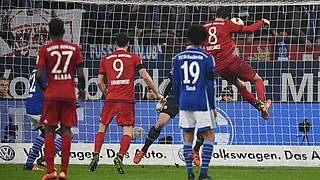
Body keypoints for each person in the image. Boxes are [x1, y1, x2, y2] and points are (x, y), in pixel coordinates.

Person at [88, 33, 163, 174]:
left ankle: (96, 154)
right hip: (126, 100)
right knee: (127, 130)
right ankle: (120, 156)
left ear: (116, 43)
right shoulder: (133, 57)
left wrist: (107, 94)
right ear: (128, 44)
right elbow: (145, 76)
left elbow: (99, 81)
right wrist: (157, 93)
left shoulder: (106, 59)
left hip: (111, 99)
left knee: (102, 127)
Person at [36, 18, 86, 180]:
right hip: (69, 95)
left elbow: (38, 76)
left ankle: (50, 170)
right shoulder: (74, 48)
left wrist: (45, 90)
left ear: (49, 33)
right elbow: (80, 74)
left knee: (49, 130)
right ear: (64, 31)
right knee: (66, 131)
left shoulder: (45, 49)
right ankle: (64, 171)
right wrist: (83, 90)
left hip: (52, 94)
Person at [203, 7, 272, 120]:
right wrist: (262, 21)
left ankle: (259, 108)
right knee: (257, 79)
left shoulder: (205, 26)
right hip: (231, 61)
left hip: (218, 67)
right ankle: (261, 101)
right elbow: (249, 29)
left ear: (216, 15)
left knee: (240, 86)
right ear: (227, 17)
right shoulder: (226, 23)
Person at [172, 24, 217, 180]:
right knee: (209, 135)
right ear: (204, 39)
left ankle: (190, 173)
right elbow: (210, 85)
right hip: (200, 101)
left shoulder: (178, 58)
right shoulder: (207, 58)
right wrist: (212, 106)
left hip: (184, 101)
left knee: (187, 135)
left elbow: (175, 84)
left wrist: (179, 103)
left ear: (188, 38)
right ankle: (203, 173)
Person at [133, 72, 205, 167]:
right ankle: (143, 151)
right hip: (175, 98)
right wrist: (162, 97)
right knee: (160, 124)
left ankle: (195, 150)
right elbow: (168, 82)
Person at [23, 69, 62, 172]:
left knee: (45, 133)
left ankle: (29, 164)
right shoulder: (46, 71)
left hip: (30, 107)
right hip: (40, 108)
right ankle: (45, 159)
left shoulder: (34, 71)